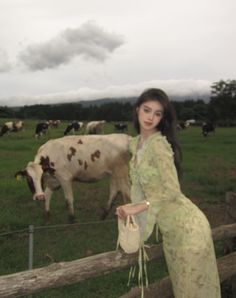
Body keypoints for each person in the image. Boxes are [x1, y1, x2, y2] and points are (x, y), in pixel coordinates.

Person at [116, 88, 221, 298]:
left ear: (163, 117)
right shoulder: (135, 144)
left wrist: (142, 206)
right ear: (137, 109)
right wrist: (134, 215)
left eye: (157, 113)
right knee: (183, 289)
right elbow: (138, 187)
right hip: (171, 232)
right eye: (147, 110)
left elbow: (173, 190)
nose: (151, 117)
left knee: (194, 290)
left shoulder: (159, 146)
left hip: (188, 227)